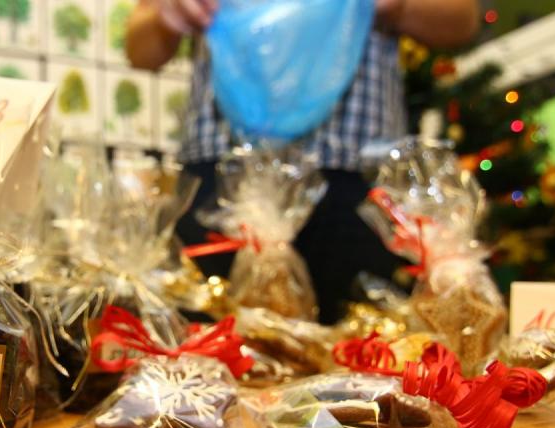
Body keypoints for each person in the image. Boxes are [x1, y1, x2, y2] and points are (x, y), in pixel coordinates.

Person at [126, 0, 479, 324]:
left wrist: (399, 6)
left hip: (356, 183)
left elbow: (462, 20)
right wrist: (168, 13)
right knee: (203, 357)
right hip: (222, 184)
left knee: (363, 357)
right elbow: (140, 49)